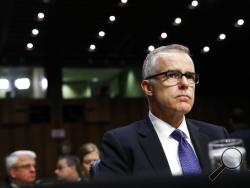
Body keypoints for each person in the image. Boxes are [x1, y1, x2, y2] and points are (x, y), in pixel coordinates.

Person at [95, 44, 229, 178]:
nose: (185, 84)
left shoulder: (217, 136)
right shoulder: (120, 143)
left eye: (189, 76)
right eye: (172, 75)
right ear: (148, 87)